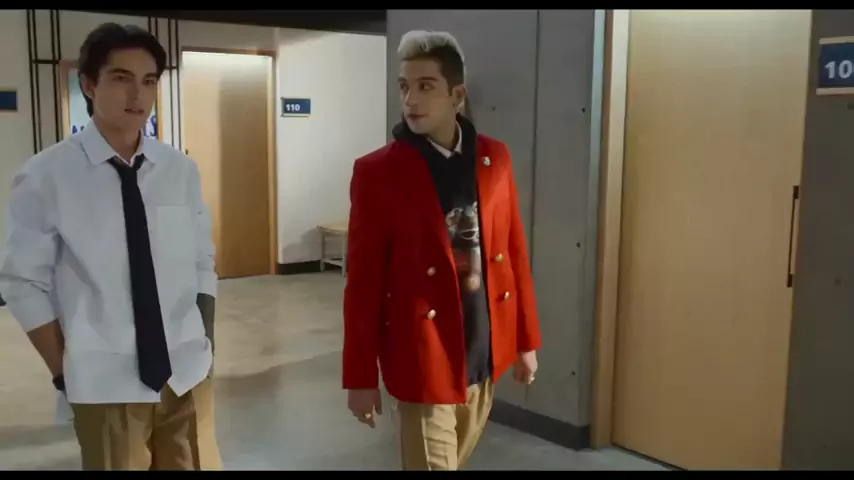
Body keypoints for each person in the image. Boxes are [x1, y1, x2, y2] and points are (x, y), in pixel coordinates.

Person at [0, 23, 221, 470]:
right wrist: (65, 370)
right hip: (105, 381)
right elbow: (22, 282)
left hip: (187, 373)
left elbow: (202, 262)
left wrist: (204, 345)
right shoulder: (48, 175)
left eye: (149, 81)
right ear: (89, 84)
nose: (138, 95)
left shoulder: (179, 170)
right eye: (122, 78)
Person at [343, 30, 542, 471]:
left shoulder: (495, 158)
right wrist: (359, 376)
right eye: (404, 86)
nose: (410, 99)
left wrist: (526, 341)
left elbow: (513, 254)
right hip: (423, 357)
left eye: (425, 86)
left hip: (482, 351)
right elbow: (363, 284)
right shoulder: (378, 172)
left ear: (457, 95)